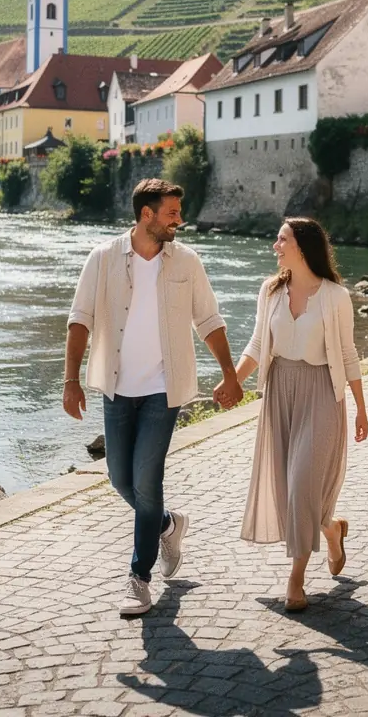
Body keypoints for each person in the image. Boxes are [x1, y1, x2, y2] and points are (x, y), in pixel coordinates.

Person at [63, 178, 240, 616]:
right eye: (172, 213)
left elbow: (210, 320)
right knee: (120, 479)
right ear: (147, 214)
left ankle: (138, 578)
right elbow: (79, 320)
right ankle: (167, 524)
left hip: (165, 389)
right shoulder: (103, 258)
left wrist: (230, 375)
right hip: (116, 387)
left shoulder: (187, 262)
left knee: (147, 480)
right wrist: (70, 381)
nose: (179, 219)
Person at [219, 217, 368, 612]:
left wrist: (360, 410)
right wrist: (232, 382)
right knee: (291, 491)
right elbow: (256, 344)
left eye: (281, 239)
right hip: (279, 393)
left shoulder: (336, 296)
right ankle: (333, 532)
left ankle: (296, 579)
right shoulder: (270, 291)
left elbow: (349, 354)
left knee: (303, 484)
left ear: (301, 247)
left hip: (322, 392)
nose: (275, 245)